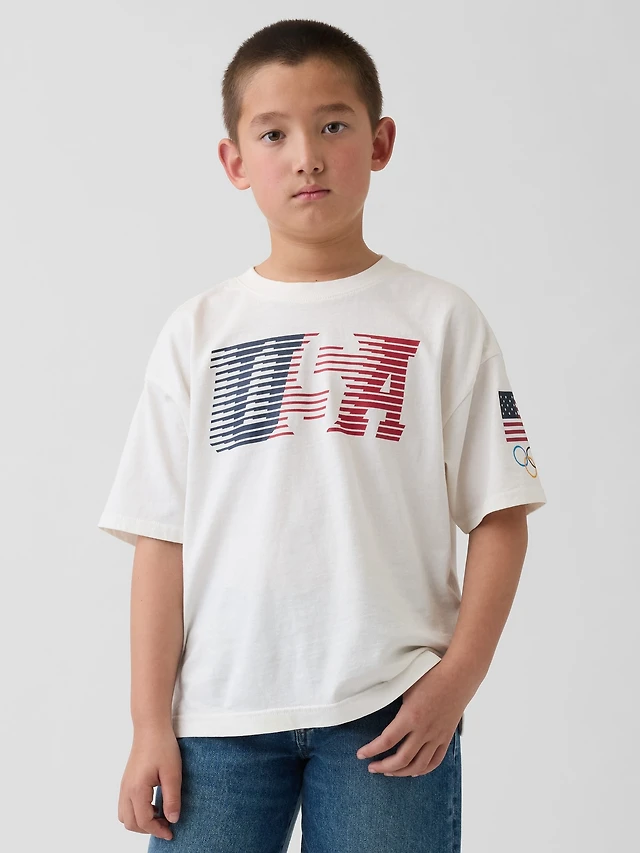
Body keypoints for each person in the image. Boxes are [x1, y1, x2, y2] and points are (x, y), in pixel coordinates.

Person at [97, 18, 547, 853]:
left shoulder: (441, 319)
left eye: (333, 125)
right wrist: (148, 722)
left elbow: (502, 515)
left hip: (390, 710)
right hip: (219, 718)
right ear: (235, 161)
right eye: (274, 133)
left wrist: (456, 681)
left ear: (380, 143)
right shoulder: (197, 332)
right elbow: (160, 539)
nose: (306, 156)